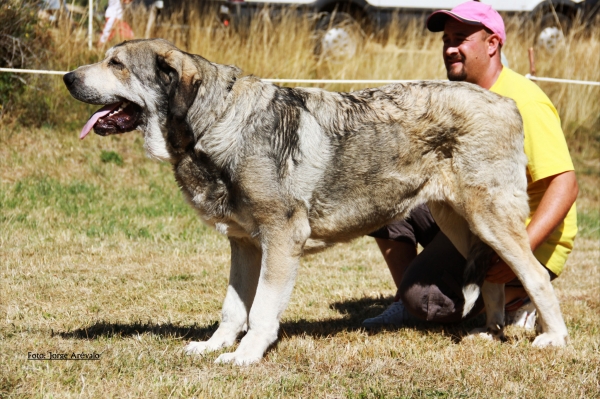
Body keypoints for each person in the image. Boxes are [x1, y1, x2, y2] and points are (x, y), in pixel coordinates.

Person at [363, 0, 578, 330]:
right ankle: (403, 300)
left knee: (426, 301)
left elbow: (566, 185)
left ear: (492, 44)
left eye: (460, 38)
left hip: (522, 237)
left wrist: (517, 255)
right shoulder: (457, 99)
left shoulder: (524, 101)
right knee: (383, 200)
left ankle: (517, 297)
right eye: (446, 40)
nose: (450, 49)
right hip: (473, 219)